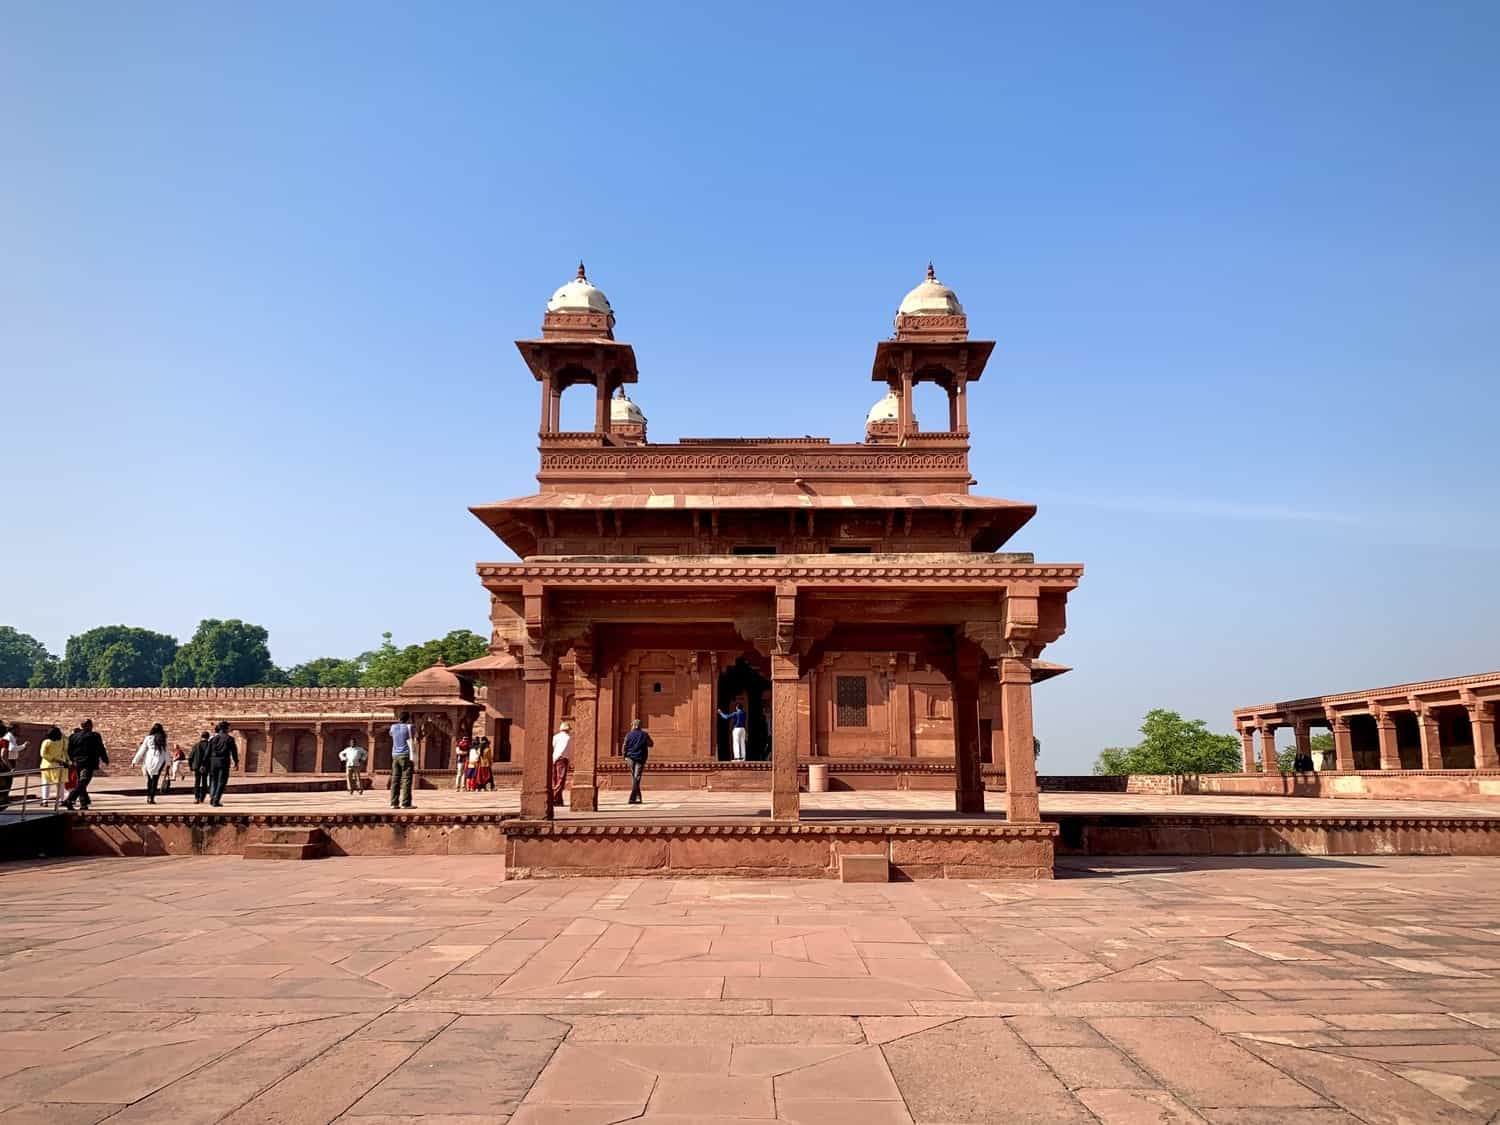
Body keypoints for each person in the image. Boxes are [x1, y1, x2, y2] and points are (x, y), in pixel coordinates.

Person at [63, 719, 109, 810]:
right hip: (88, 762)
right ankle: (70, 799)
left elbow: (69, 750)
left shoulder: (73, 736)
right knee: (83, 782)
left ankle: (83, 803)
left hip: (77, 762)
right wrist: (105, 758)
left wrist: (73, 760)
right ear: (89, 726)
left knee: (81, 782)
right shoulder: (95, 736)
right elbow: (100, 748)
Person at [131, 723, 171, 804]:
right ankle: (152, 797)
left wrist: (134, 761)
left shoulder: (148, 738)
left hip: (149, 760)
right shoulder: (162, 739)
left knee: (149, 779)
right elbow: (166, 751)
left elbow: (141, 750)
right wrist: (168, 762)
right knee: (155, 780)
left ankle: (148, 796)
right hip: (159, 760)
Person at [205, 721, 238, 807]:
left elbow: (207, 752)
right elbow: (234, 752)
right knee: (221, 781)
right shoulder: (229, 739)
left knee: (213, 780)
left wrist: (204, 763)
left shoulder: (213, 739)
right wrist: (236, 762)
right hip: (224, 761)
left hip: (213, 761)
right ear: (226, 728)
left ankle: (212, 797)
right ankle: (216, 799)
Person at [622, 718, 653, 805]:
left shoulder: (629, 734)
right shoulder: (644, 734)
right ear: (640, 726)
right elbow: (651, 744)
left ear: (633, 725)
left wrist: (624, 756)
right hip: (640, 757)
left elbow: (624, 746)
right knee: (637, 777)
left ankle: (636, 797)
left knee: (634, 777)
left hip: (630, 757)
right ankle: (635, 797)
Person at [389, 712, 415, 809]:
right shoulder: (410, 727)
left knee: (395, 779)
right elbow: (413, 736)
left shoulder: (393, 727)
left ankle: (394, 803)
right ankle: (406, 803)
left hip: (395, 755)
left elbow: (391, 734)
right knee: (406, 779)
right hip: (406, 755)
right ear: (408, 718)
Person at [39, 726, 68, 804]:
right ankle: (61, 800)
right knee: (60, 783)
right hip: (58, 764)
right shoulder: (62, 742)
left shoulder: (46, 742)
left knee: (46, 783)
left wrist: (52, 758)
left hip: (46, 764)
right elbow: (65, 751)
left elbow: (43, 754)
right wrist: (66, 761)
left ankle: (45, 800)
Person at [550, 720, 571, 808]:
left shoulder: (555, 737)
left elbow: (553, 747)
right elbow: (563, 749)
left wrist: (554, 758)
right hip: (562, 759)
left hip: (554, 758)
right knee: (560, 780)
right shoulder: (567, 737)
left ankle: (558, 800)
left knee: (555, 780)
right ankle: (554, 798)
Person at [189, 730, 212, 804]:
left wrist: (191, 766)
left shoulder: (196, 745)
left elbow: (191, 757)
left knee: (197, 782)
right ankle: (202, 797)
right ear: (208, 737)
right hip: (206, 766)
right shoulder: (210, 745)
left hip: (197, 766)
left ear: (201, 737)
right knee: (204, 782)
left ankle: (196, 797)